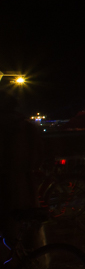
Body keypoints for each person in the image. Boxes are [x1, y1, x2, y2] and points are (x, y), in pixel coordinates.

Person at [0, 90, 46, 249]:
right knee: (27, 229)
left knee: (10, 228)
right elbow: (40, 154)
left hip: (7, 184)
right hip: (24, 185)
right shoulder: (26, 127)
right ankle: (33, 267)